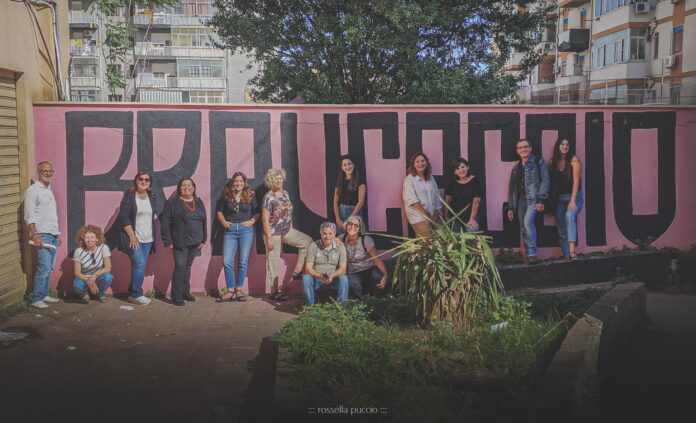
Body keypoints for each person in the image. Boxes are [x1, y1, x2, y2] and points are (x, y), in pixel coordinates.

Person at [262, 168, 313, 302]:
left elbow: (287, 213)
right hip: (273, 233)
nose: (279, 181)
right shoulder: (268, 198)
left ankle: (296, 272)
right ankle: (273, 292)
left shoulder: (285, 193)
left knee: (307, 241)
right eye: (276, 179)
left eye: (280, 178)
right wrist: (268, 238)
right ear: (270, 181)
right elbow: (265, 219)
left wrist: (290, 226)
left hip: (286, 230)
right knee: (273, 262)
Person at [160, 177, 206, 306]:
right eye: (184, 185)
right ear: (179, 188)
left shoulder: (198, 201)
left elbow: (204, 220)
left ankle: (186, 292)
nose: (187, 187)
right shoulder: (172, 203)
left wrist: (204, 239)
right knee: (180, 267)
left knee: (187, 267)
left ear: (194, 188)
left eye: (189, 185)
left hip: (196, 241)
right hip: (180, 242)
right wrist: (167, 240)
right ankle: (177, 296)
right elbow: (166, 222)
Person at [216, 172, 258, 302]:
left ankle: (239, 289)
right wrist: (224, 223)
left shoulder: (250, 194)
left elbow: (257, 212)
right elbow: (219, 211)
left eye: (240, 181)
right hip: (230, 231)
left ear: (244, 182)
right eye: (236, 181)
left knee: (242, 261)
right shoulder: (227, 194)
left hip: (246, 231)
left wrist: (251, 222)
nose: (238, 183)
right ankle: (230, 291)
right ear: (232, 183)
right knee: (227, 261)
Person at [24, 161, 61, 309]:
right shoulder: (33, 190)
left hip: (52, 233)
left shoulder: (48, 189)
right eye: (45, 171)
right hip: (42, 234)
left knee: (50, 267)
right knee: (44, 267)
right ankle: (35, 297)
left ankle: (44, 294)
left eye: (50, 171)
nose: (48, 173)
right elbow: (29, 215)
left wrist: (58, 234)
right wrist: (35, 235)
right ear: (38, 172)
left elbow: (51, 214)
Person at [507, 139, 550, 264]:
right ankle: (528, 255)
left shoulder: (538, 162)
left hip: (533, 200)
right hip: (520, 201)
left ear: (530, 148)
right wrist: (511, 207)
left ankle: (532, 254)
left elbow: (545, 181)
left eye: (526, 147)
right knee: (523, 227)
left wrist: (541, 200)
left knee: (528, 223)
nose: (523, 150)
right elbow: (512, 189)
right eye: (520, 148)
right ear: (517, 151)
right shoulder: (516, 168)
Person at [117, 171, 156, 305]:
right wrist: (132, 235)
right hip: (134, 238)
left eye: (147, 180)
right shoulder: (130, 196)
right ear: (136, 181)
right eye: (141, 179)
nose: (143, 182)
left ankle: (131, 291)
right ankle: (136, 294)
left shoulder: (152, 197)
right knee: (139, 263)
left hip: (148, 239)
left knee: (139, 265)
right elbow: (124, 217)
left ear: (150, 183)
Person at [549, 138, 583, 260]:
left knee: (570, 216)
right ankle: (566, 254)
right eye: (562, 144)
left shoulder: (574, 160)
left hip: (574, 196)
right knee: (561, 226)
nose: (565, 146)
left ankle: (572, 251)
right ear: (558, 146)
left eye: (567, 144)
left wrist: (573, 200)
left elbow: (576, 182)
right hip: (560, 199)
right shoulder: (553, 162)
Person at [302, 222, 349, 305]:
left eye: (330, 234)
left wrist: (332, 276)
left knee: (344, 278)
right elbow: (308, 269)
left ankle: (342, 308)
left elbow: (343, 269)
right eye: (324, 234)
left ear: (334, 234)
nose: (327, 236)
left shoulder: (340, 247)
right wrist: (320, 276)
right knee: (306, 278)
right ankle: (310, 308)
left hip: (333, 279)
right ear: (320, 234)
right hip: (317, 279)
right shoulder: (313, 246)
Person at [341, 216, 388, 299]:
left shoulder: (366, 240)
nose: (353, 227)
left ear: (360, 228)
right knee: (352, 284)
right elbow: (329, 239)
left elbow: (376, 259)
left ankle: (377, 301)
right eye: (350, 224)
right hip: (354, 272)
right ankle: (361, 306)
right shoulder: (342, 238)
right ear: (346, 226)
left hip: (369, 269)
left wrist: (385, 275)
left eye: (356, 225)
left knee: (377, 277)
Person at [402, 152, 443, 237]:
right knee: (427, 242)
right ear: (413, 165)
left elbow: (437, 196)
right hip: (419, 217)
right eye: (417, 162)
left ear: (427, 163)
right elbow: (413, 201)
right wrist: (426, 216)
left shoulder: (431, 178)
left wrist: (438, 211)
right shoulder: (409, 180)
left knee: (440, 240)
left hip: (433, 216)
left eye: (423, 161)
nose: (420, 163)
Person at [72, 225, 113, 304]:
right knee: (77, 283)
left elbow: (108, 267)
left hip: (98, 277)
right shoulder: (78, 251)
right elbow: (77, 272)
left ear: (97, 239)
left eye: (92, 237)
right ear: (83, 239)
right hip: (84, 279)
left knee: (108, 277)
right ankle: (84, 293)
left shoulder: (103, 247)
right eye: (86, 237)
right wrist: (89, 280)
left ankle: (101, 294)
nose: (89, 240)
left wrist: (95, 276)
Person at [444, 158, 483, 232]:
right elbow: (448, 199)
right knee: (457, 240)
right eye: (457, 169)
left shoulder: (475, 181)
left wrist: (472, 219)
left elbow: (476, 202)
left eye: (462, 167)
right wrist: (446, 215)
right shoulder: (452, 182)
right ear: (455, 172)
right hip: (455, 218)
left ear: (467, 167)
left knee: (471, 240)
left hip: (470, 217)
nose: (461, 170)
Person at [333, 155, 366, 234]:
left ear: (353, 165)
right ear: (342, 168)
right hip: (341, 212)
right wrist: (338, 219)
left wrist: (350, 219)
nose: (347, 166)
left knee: (357, 238)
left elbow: (361, 202)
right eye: (345, 165)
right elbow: (335, 202)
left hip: (355, 212)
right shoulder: (339, 182)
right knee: (343, 239)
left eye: (349, 164)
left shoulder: (360, 181)